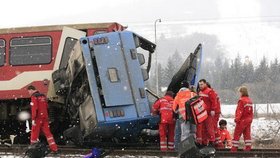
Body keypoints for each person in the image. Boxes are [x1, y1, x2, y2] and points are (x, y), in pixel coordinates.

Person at [27, 85, 58, 153]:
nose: (29, 93)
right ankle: (54, 148)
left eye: (29, 91)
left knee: (34, 133)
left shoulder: (34, 96)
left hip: (38, 118)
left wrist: (33, 119)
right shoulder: (43, 96)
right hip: (45, 117)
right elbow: (47, 106)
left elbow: (34, 108)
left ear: (31, 90)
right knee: (48, 134)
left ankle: (32, 149)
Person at [231, 86, 253, 152]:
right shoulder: (249, 100)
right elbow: (251, 112)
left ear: (241, 92)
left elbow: (239, 111)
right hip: (248, 120)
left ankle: (234, 148)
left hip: (242, 120)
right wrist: (250, 119)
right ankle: (248, 147)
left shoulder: (241, 100)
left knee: (237, 133)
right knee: (247, 134)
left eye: (239, 92)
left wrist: (237, 119)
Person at [197, 79, 217, 147]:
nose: (200, 86)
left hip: (208, 113)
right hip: (202, 113)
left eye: (202, 84)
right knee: (203, 129)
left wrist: (213, 109)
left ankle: (211, 141)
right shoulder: (200, 92)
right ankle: (204, 142)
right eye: (199, 85)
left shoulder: (210, 91)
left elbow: (214, 101)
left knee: (209, 128)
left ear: (205, 84)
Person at [206, 82, 223, 148]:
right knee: (214, 127)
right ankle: (217, 142)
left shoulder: (211, 93)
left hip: (214, 113)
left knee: (213, 127)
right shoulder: (213, 92)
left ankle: (217, 143)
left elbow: (213, 103)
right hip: (216, 112)